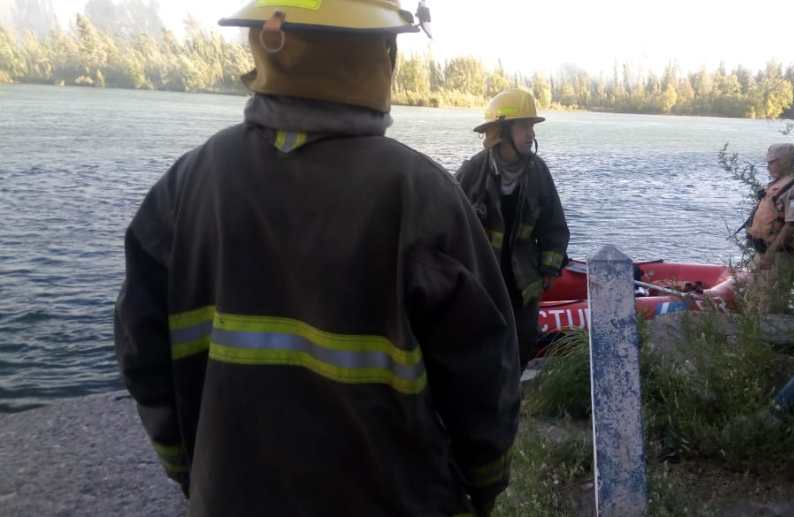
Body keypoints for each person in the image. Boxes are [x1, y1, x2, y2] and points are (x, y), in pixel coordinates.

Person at [113, 2, 520, 515]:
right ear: (378, 54)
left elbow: (141, 349)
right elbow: (484, 371)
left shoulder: (188, 183)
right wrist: (484, 484)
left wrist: (190, 469)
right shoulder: (420, 194)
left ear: (265, 43)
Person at [456, 88, 570, 370]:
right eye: (524, 126)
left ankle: (512, 392)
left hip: (523, 282)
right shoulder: (473, 172)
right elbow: (449, 224)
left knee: (521, 344)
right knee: (480, 347)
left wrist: (549, 269)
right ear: (502, 132)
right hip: (483, 279)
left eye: (532, 127)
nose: (531, 134)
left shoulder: (538, 173)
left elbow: (554, 226)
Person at [744, 143, 794, 313]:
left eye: (772, 162)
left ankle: (767, 329)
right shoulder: (777, 184)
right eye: (768, 162)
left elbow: (792, 224)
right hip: (764, 252)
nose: (768, 166)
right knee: (753, 300)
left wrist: (770, 254)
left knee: (770, 303)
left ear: (785, 161)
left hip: (779, 255)